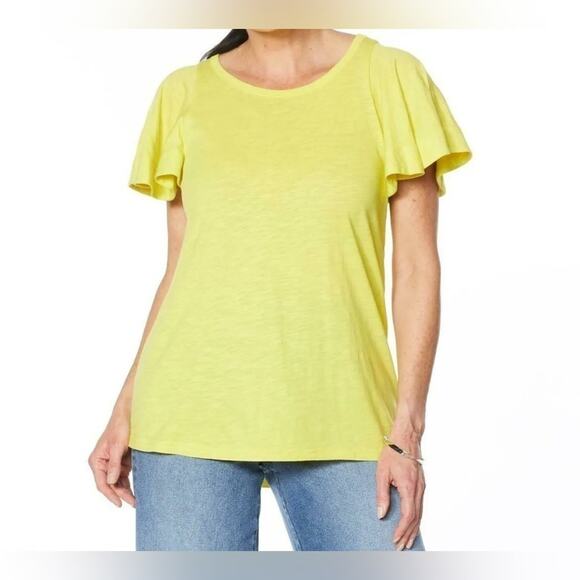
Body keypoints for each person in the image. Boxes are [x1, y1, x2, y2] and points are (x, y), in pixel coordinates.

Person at [88, 28, 472, 551]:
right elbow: (180, 269)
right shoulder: (184, 93)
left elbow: (416, 268)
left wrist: (407, 432)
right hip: (186, 416)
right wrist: (125, 408)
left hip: (343, 414)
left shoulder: (389, 78)